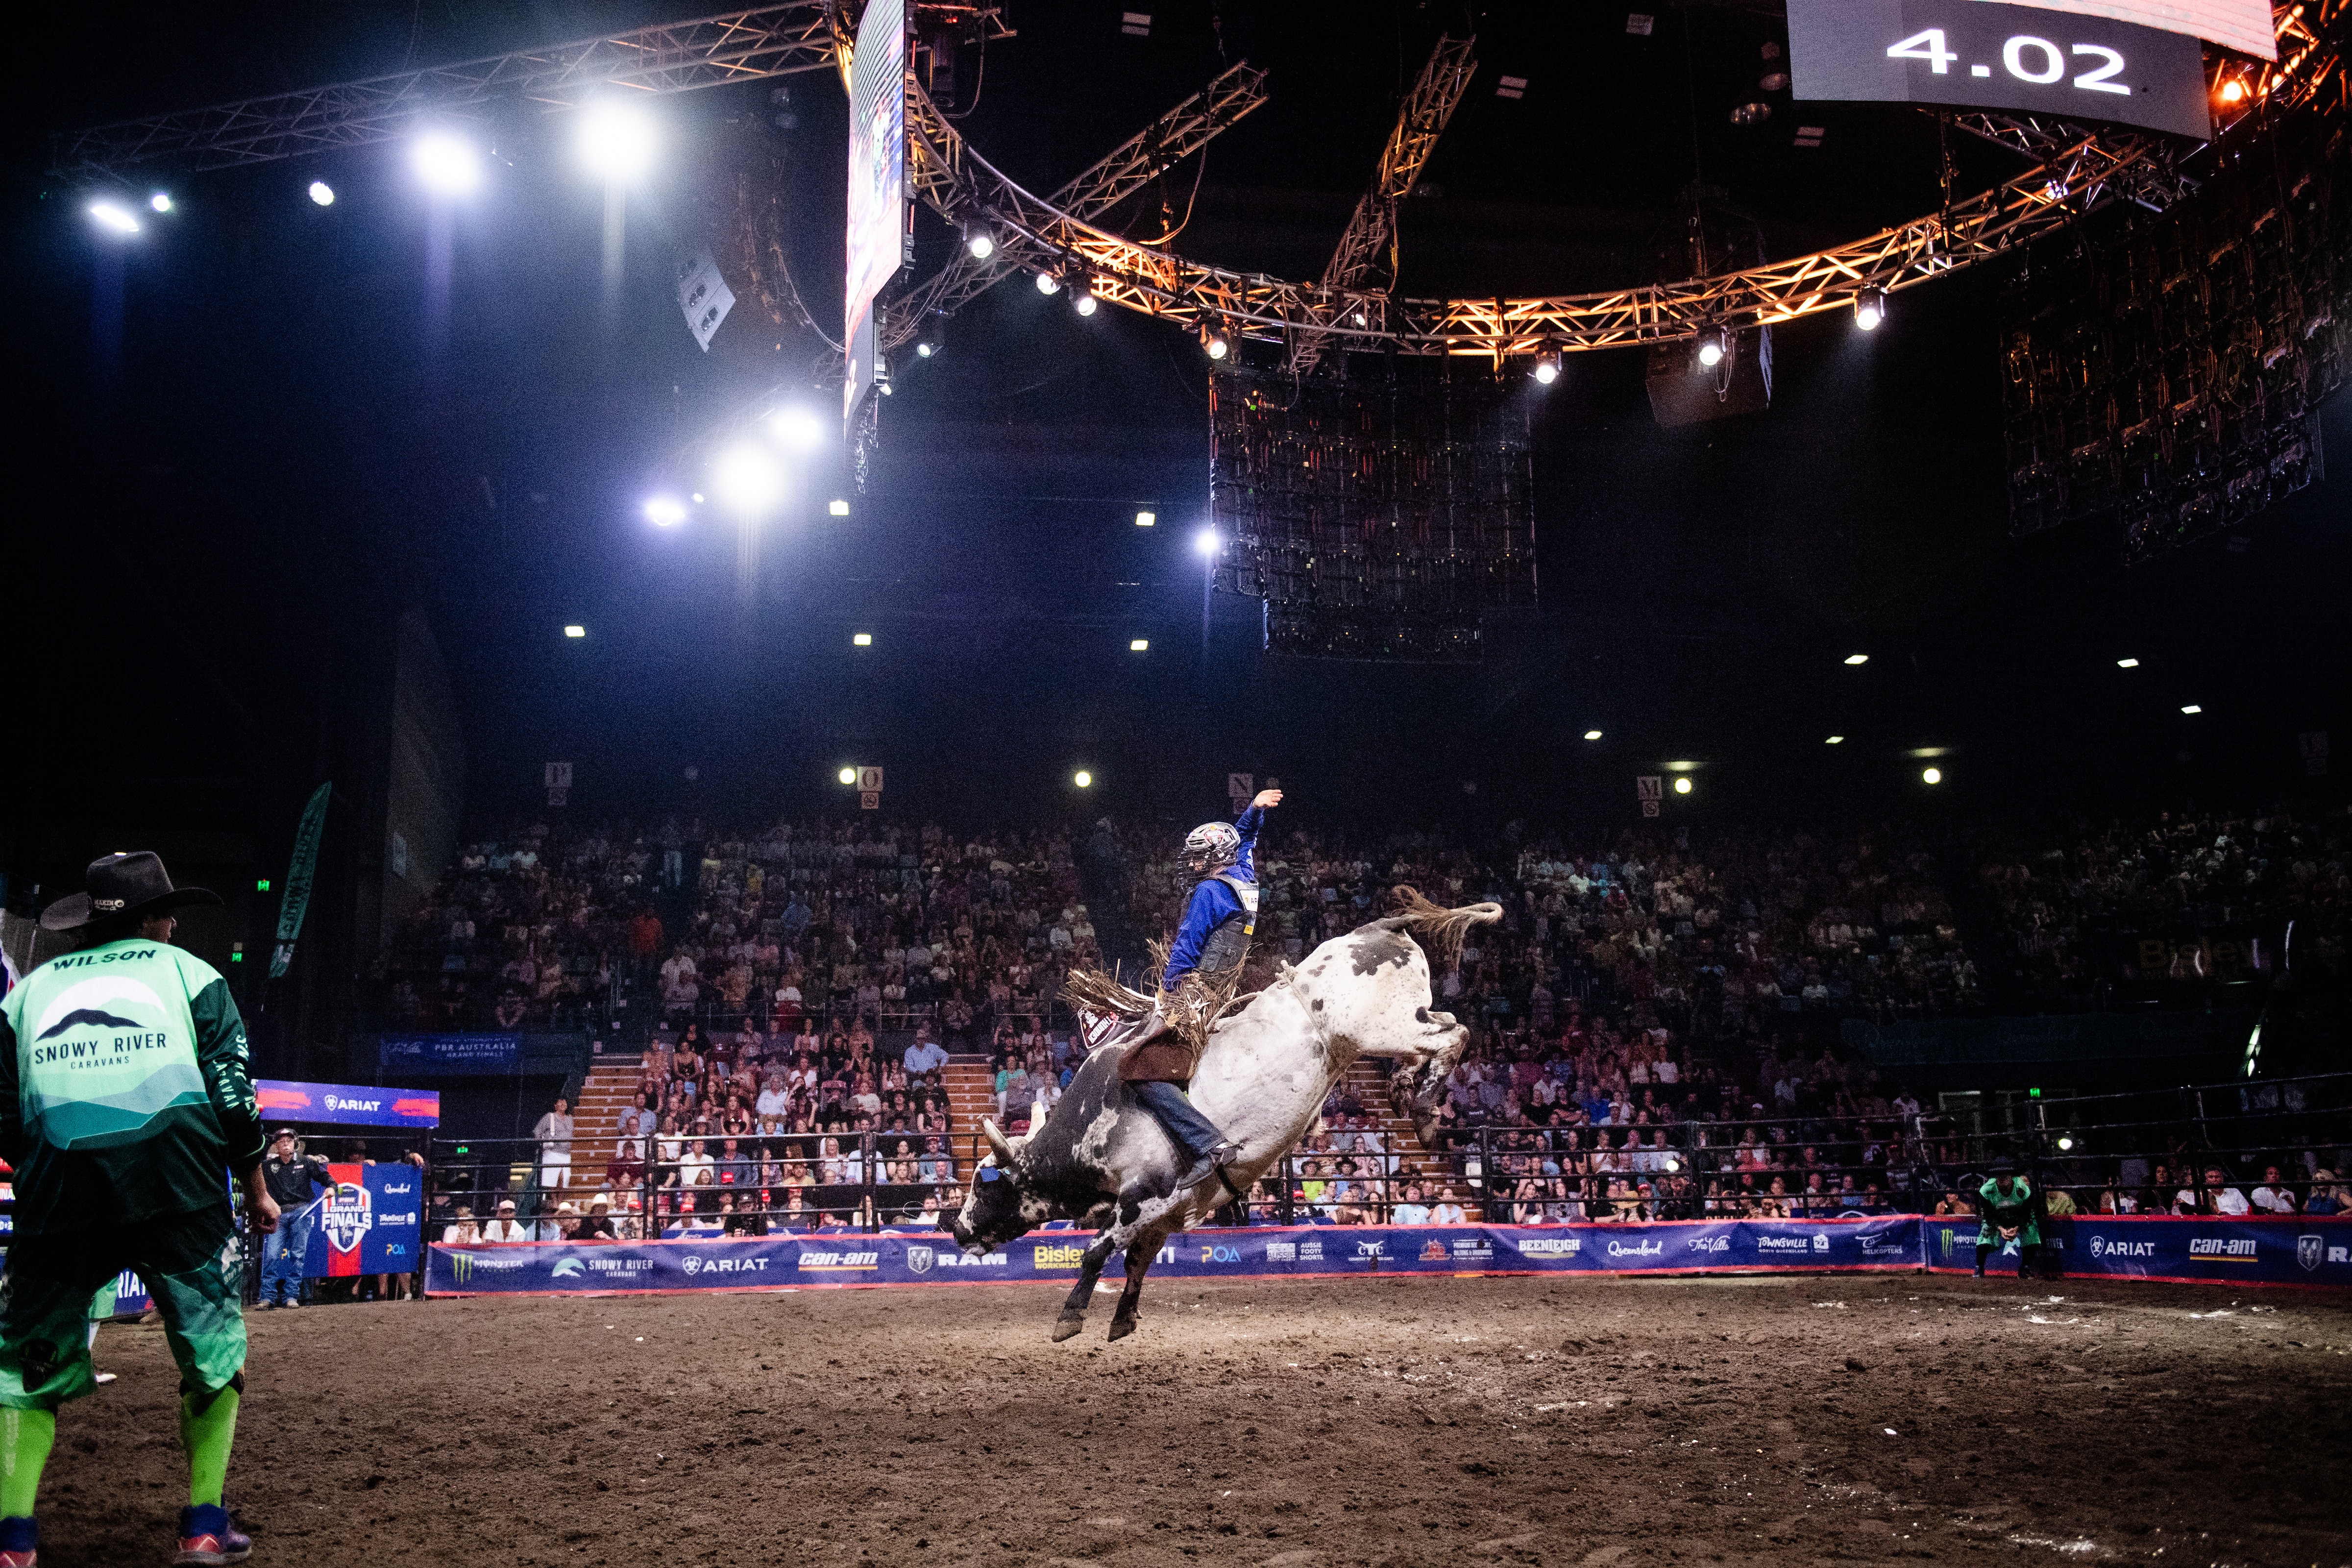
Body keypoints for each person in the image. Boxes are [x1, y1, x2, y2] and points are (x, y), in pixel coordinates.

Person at [0, 852, 277, 1564]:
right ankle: (205, 1526)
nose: (174, 922)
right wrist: (255, 1186)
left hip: (58, 1189)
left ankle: (14, 1542)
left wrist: (43, 1164)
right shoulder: (194, 977)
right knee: (214, 1355)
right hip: (176, 1184)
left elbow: (4, 1112)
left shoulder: (24, 996)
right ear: (152, 922)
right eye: (167, 912)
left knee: (21, 1371)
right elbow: (235, 1098)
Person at [1119, 788, 1283, 1190]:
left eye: (1198, 857)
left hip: (1199, 995)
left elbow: (1187, 947)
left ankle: (1207, 1145)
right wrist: (1254, 811)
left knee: (1138, 1070)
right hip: (1227, 987)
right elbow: (1244, 840)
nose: (1192, 864)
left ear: (1215, 858)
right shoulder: (1242, 874)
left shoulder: (1210, 892)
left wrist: (1169, 994)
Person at [256, 1128, 335, 1309]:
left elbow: (328, 1179)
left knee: (298, 1255)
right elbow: (257, 1186)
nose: (286, 1144)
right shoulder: (268, 1166)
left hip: (302, 1212)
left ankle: (291, 1296)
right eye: (282, 1141)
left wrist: (332, 1187)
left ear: (295, 1144)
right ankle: (267, 1297)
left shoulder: (306, 1162)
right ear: (276, 1146)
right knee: (272, 1255)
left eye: (289, 1141)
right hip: (278, 1213)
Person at [1973, 1161, 2039, 1278]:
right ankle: (1979, 1268)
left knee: (2032, 1230)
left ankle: (2025, 1268)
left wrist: (2017, 1227)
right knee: (1985, 1233)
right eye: (1999, 1174)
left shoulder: (2022, 1188)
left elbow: (2027, 1212)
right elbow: (1988, 1215)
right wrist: (2001, 1229)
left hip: (2018, 1217)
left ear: (2012, 1175)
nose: (2003, 1177)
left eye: (2006, 1174)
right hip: (1997, 1218)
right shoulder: (1986, 1190)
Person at [533, 1097, 575, 1194]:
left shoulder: (570, 1119)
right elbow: (537, 1132)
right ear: (556, 1106)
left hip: (566, 1153)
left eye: (565, 1102)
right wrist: (541, 1145)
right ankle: (554, 1201)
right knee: (554, 1178)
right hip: (552, 1152)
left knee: (565, 1179)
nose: (563, 1104)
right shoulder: (549, 1117)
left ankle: (559, 1202)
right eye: (560, 1102)